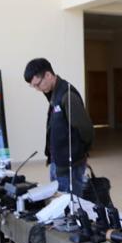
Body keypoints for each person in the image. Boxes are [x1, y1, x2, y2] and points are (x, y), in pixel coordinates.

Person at [24, 58, 93, 196]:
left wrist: (80, 153)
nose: (37, 89)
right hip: (57, 162)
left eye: (38, 84)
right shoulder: (53, 93)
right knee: (59, 200)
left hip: (70, 165)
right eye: (33, 86)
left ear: (48, 75)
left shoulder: (67, 95)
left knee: (70, 203)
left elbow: (86, 130)